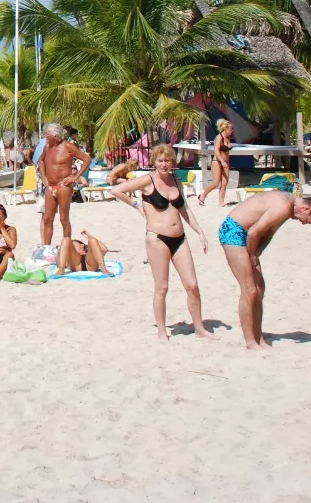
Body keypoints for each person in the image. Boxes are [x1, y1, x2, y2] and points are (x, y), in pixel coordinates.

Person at [112, 145, 212, 340]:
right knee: (162, 287)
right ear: (154, 162)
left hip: (180, 238)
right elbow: (117, 189)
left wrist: (199, 232)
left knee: (192, 285)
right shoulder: (147, 181)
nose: (164, 164)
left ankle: (199, 328)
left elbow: (184, 209)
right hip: (157, 239)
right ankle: (161, 331)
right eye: (160, 160)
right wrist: (136, 206)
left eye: (167, 160)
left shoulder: (176, 180)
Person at [218, 191, 311, 350]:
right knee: (249, 289)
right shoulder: (283, 206)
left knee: (259, 288)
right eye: (308, 221)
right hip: (233, 231)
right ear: (307, 209)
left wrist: (258, 252)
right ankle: (250, 342)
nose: (303, 224)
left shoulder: (290, 207)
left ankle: (258, 337)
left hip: (247, 236)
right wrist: (251, 256)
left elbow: (269, 231)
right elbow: (254, 232)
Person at [37, 122, 91, 245]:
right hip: (50, 186)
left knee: (63, 218)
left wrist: (75, 177)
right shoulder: (47, 147)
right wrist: (44, 177)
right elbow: (41, 161)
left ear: (56, 136)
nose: (46, 136)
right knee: (47, 218)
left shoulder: (67, 146)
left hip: (63, 185)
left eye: (48, 134)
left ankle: (66, 245)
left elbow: (87, 159)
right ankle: (46, 247)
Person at [198, 118, 234, 207]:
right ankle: (203, 195)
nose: (232, 131)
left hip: (226, 162)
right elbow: (216, 151)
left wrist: (225, 162)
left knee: (225, 183)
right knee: (215, 183)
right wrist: (222, 161)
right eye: (230, 129)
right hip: (217, 161)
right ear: (225, 129)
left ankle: (221, 201)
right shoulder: (219, 137)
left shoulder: (228, 138)